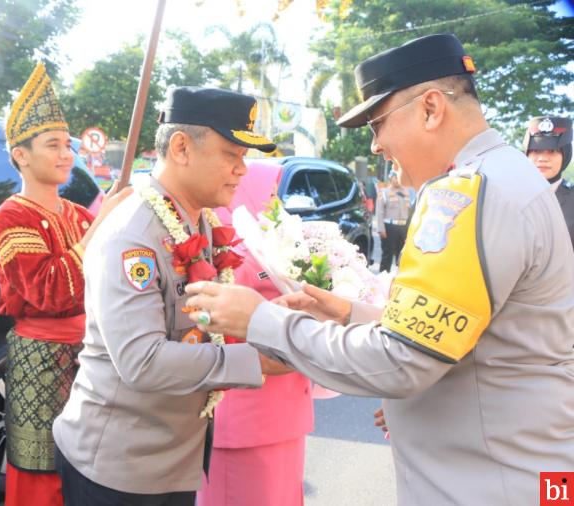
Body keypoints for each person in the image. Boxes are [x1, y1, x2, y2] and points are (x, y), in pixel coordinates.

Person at [185, 34, 574, 505]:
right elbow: (472, 337)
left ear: (431, 108)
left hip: (491, 481)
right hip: (517, 471)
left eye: (378, 124)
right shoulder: (507, 175)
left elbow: (400, 361)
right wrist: (350, 314)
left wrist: (261, 320)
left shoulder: (467, 195)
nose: (375, 147)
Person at [52, 86, 287, 506]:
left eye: (244, 158)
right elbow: (142, 362)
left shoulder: (202, 224)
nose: (241, 170)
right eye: (231, 155)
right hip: (120, 468)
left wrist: (270, 320)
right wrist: (258, 359)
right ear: (181, 147)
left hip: (173, 457)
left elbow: (207, 319)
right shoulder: (133, 235)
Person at [0, 62, 130, 506]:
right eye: (53, 145)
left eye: (67, 145)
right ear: (21, 156)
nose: (67, 154)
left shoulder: (77, 214)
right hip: (42, 362)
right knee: (41, 478)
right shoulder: (11, 218)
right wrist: (101, 226)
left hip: (91, 356)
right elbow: (51, 289)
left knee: (86, 474)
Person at [197, 161, 314, 506]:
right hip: (246, 413)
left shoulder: (268, 245)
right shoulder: (226, 252)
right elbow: (217, 325)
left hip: (284, 407)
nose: (277, 202)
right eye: (272, 193)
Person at [522, 115, 573, 247]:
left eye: (552, 151)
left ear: (566, 155)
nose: (543, 159)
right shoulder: (509, 197)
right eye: (536, 151)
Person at [375, 169, 412, 272]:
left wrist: (409, 231)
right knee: (387, 257)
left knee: (402, 258)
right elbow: (379, 212)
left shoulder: (406, 192)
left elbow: (410, 213)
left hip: (403, 228)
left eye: (398, 177)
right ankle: (382, 282)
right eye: (394, 177)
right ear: (390, 178)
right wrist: (381, 229)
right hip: (389, 228)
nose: (397, 180)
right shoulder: (384, 192)